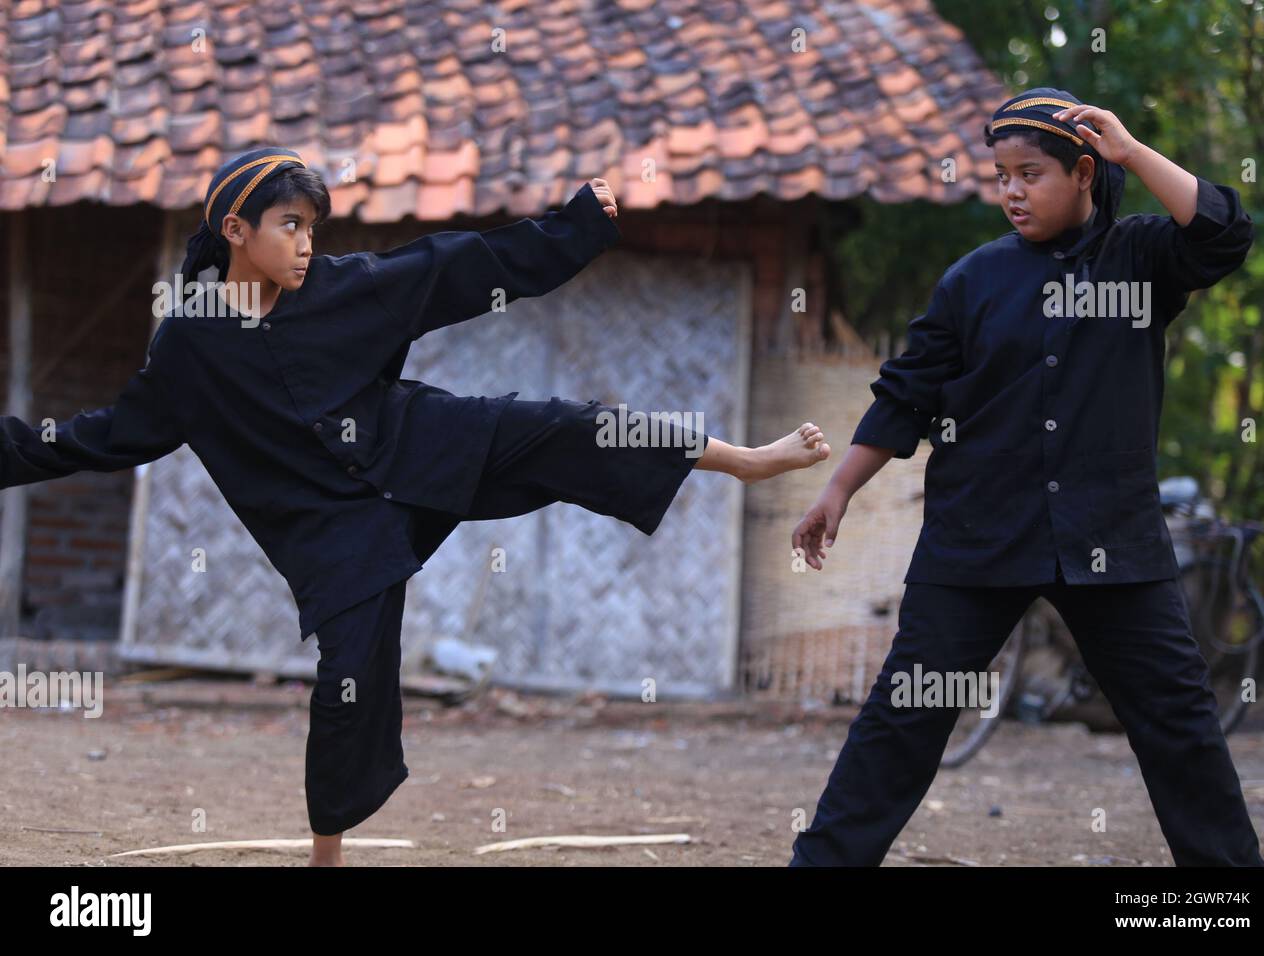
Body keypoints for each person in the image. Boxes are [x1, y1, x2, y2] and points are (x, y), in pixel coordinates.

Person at [0, 146, 831, 866]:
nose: (306, 243)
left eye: (312, 228)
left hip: (428, 449)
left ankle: (746, 460)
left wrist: (575, 228)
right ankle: (328, 856)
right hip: (341, 536)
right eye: (290, 226)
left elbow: (459, 269)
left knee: (568, 427)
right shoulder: (190, 345)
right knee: (350, 682)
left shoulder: (342, 287)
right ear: (236, 232)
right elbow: (100, 436)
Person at [788, 89, 1264, 866]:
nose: (1010, 190)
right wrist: (838, 490)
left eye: (1030, 173)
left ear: (1083, 172)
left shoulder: (1140, 261)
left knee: (1179, 720)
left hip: (1109, 541)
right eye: (1001, 175)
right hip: (978, 536)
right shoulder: (972, 282)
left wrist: (1133, 151)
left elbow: (1222, 232)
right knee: (904, 718)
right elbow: (904, 396)